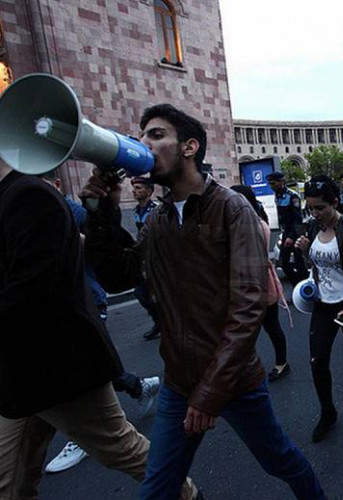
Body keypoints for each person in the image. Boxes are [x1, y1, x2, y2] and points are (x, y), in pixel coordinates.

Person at [82, 104, 324, 499]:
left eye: (156, 135)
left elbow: (248, 308)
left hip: (233, 380)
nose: (144, 144)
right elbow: (119, 276)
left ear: (189, 147)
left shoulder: (232, 208)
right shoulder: (159, 219)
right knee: (157, 488)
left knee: (279, 459)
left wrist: (210, 393)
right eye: (141, 136)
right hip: (179, 382)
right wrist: (100, 211)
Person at [0, 161, 198, 499]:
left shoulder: (29, 195)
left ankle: (188, 494)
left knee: (121, 447)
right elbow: (114, 266)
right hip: (18, 372)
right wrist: (99, 209)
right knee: (9, 481)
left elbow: (111, 271)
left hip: (56, 367)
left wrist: (101, 211)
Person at [38, 172, 160, 475]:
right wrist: (100, 209)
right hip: (36, 323)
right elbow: (120, 271)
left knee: (84, 370)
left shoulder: (67, 210)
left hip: (80, 303)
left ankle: (86, 433)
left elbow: (101, 253)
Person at [294, 175, 343, 442]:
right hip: (323, 304)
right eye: (310, 208)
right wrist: (305, 251)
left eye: (320, 208)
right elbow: (314, 266)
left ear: (335, 203)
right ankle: (327, 412)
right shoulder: (311, 227)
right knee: (317, 361)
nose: (315, 213)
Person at [231, 185, 292, 381]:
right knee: (252, 329)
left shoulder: (255, 225)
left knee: (268, 326)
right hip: (247, 284)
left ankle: (281, 363)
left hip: (259, 283)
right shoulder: (241, 223)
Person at [131, 176, 163, 340]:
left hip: (158, 258)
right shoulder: (136, 211)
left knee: (160, 294)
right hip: (144, 258)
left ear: (149, 191)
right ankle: (159, 322)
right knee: (141, 293)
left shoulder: (157, 210)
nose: (134, 191)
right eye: (134, 188)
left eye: (139, 188)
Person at [268, 171, 308, 284]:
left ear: (281, 182)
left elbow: (298, 219)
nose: (271, 186)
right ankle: (297, 283)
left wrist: (291, 237)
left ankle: (304, 284)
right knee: (284, 263)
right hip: (286, 231)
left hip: (296, 231)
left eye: (273, 183)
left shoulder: (292, 196)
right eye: (270, 184)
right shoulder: (277, 196)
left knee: (299, 262)